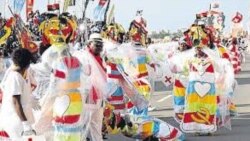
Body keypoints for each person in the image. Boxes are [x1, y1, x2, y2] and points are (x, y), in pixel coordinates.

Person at [74, 33, 107, 141]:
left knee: (96, 126)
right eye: (96, 44)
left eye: (100, 44)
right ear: (89, 44)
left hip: (99, 97)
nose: (99, 47)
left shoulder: (101, 58)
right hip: (88, 97)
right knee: (84, 125)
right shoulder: (83, 57)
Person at [0, 48, 37, 140]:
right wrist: (25, 123)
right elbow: (16, 101)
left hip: (21, 118)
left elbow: (28, 87)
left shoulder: (23, 73)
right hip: (16, 119)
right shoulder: (15, 77)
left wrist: (29, 98)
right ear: (27, 63)